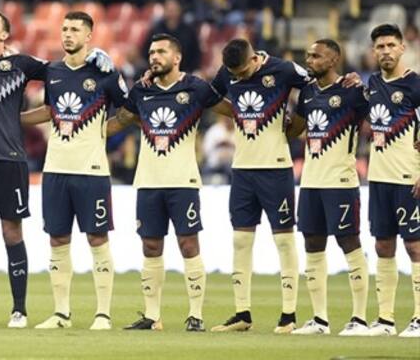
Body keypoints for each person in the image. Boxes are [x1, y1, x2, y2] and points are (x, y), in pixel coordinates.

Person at [0, 9, 112, 328]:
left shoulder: (21, 66)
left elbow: (62, 70)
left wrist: (96, 56)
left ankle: (19, 310)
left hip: (10, 160)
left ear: (5, 34)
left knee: (11, 231)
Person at [108, 34, 225, 331]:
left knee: (188, 244)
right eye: (151, 52)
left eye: (161, 52)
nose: (154, 57)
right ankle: (152, 316)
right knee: (150, 245)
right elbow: (122, 120)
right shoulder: (141, 91)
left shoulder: (196, 88)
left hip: (183, 180)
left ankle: (196, 315)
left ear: (177, 58)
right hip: (148, 180)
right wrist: (87, 128)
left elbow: (228, 107)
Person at [21, 12, 128, 331]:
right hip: (55, 169)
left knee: (97, 238)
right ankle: (61, 313)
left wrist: (100, 132)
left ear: (89, 36)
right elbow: (51, 112)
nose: (67, 34)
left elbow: (129, 110)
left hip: (92, 171)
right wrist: (15, 118)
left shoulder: (105, 73)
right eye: (64, 28)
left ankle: (103, 314)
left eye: (75, 30)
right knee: (57, 239)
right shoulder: (52, 71)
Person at [209, 38, 312, 334]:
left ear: (254, 60)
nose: (237, 78)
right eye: (234, 75)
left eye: (242, 72)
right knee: (240, 241)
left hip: (276, 169)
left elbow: (313, 86)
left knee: (283, 240)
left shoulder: (282, 69)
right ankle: (242, 314)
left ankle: (289, 315)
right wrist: (237, 112)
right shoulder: (227, 72)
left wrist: (297, 123)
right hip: (242, 170)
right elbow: (211, 97)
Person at [286, 39, 371, 335]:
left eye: (316, 56)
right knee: (312, 244)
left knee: (349, 242)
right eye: (308, 54)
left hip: (341, 181)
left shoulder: (352, 91)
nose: (310, 60)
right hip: (310, 182)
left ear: (334, 60)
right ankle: (319, 319)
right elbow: (295, 128)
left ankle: (359, 318)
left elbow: (380, 115)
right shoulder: (307, 92)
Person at [363, 24, 420, 337]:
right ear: (373, 52)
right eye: (379, 46)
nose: (385, 51)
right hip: (379, 179)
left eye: (390, 45)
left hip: (408, 178)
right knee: (383, 245)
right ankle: (385, 320)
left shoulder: (415, 86)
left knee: (415, 247)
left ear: (402, 48)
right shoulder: (370, 85)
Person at [143, 0, 201, 73]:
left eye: (174, 10)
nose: (171, 13)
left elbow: (195, 54)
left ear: (180, 11)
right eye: (169, 10)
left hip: (183, 72)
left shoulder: (189, 31)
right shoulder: (156, 30)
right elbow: (146, 52)